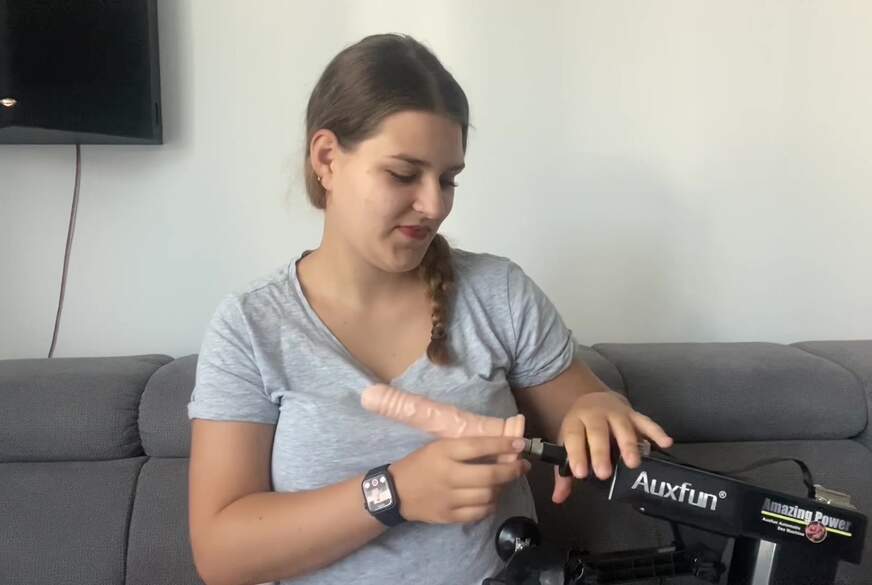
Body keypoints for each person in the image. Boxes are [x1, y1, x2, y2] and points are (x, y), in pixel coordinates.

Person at [186, 33, 673, 585]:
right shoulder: (251, 327)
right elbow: (221, 555)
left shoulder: (499, 294)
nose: (434, 205)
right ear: (327, 159)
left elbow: (581, 409)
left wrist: (598, 409)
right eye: (403, 174)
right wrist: (393, 494)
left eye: (448, 179)